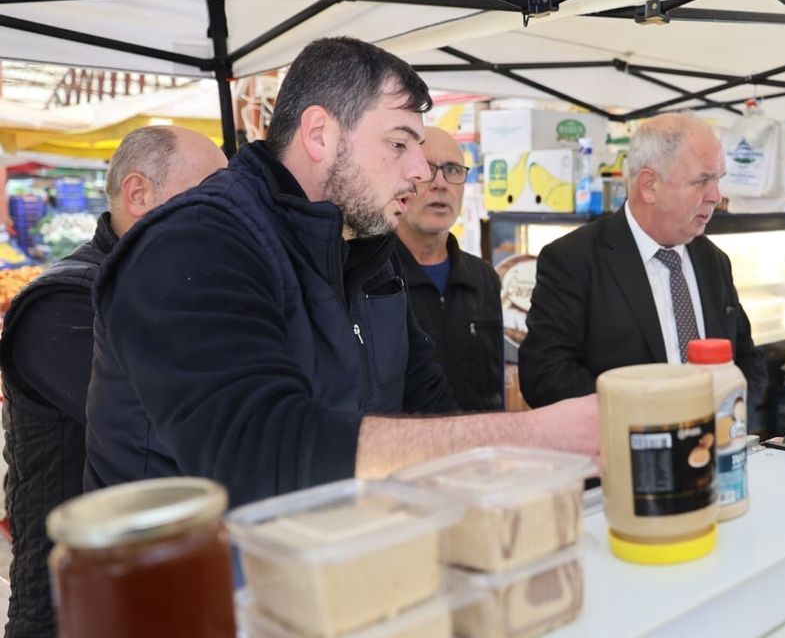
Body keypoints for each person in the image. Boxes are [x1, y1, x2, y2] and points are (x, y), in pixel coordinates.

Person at [85, 37, 597, 509]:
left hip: (341, 570)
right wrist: (535, 436)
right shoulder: (194, 244)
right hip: (201, 595)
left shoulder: (367, 256)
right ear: (319, 135)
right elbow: (261, 455)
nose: (420, 171)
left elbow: (428, 411)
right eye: (399, 144)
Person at [0, 126, 225, 638]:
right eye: (210, 196)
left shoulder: (171, 289)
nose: (227, 215)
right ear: (139, 195)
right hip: (73, 608)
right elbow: (174, 420)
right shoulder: (62, 303)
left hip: (164, 583)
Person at [518, 112, 767, 409]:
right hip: (620, 450)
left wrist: (730, 414)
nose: (716, 195)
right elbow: (545, 376)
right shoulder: (573, 260)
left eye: (718, 179)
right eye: (702, 181)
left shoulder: (713, 261)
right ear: (650, 186)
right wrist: (652, 415)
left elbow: (748, 360)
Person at [394, 128, 502, 411]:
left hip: (481, 450)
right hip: (406, 452)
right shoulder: (372, 281)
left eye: (452, 169)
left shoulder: (483, 278)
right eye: (427, 169)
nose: (440, 183)